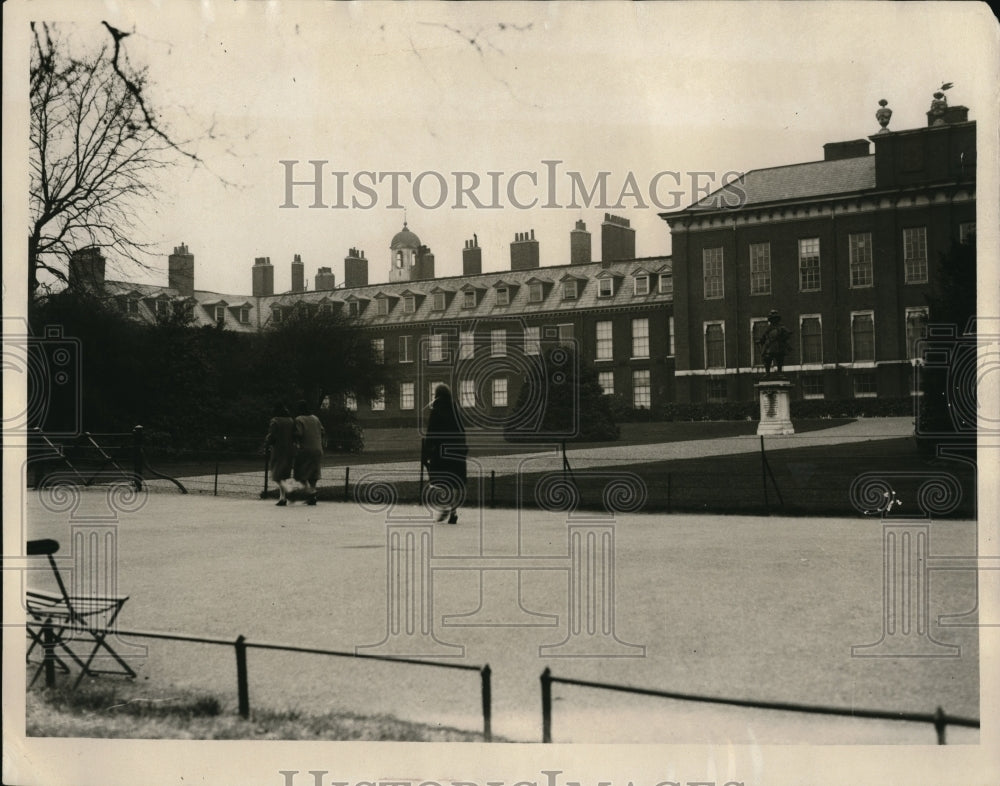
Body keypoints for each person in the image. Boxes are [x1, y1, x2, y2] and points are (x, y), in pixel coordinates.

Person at [421, 384, 468, 524]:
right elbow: (462, 431)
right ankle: (452, 510)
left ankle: (445, 508)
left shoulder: (437, 410)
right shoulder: (455, 410)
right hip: (457, 451)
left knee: (440, 480)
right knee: (453, 482)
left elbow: (431, 433)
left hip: (441, 451)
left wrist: (427, 452)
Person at [293, 399, 325, 506]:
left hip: (306, 449)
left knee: (299, 473)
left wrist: (294, 440)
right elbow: (322, 431)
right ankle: (312, 496)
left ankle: (311, 492)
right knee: (314, 473)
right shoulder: (315, 418)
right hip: (318, 449)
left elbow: (299, 433)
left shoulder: (299, 419)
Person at [265, 403, 296, 506]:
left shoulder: (275, 421)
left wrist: (267, 442)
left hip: (278, 449)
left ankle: (288, 491)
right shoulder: (291, 421)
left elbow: (272, 435)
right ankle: (282, 497)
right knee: (284, 474)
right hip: (289, 449)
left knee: (277, 474)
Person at [758, 309, 792, 375]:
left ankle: (780, 372)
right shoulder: (768, 328)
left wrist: (782, 339)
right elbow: (764, 336)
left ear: (777, 319)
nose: (773, 320)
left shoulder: (781, 327)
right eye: (772, 319)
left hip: (779, 346)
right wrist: (761, 340)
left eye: (774, 318)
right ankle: (767, 373)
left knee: (779, 359)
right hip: (770, 347)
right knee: (767, 358)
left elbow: (788, 334)